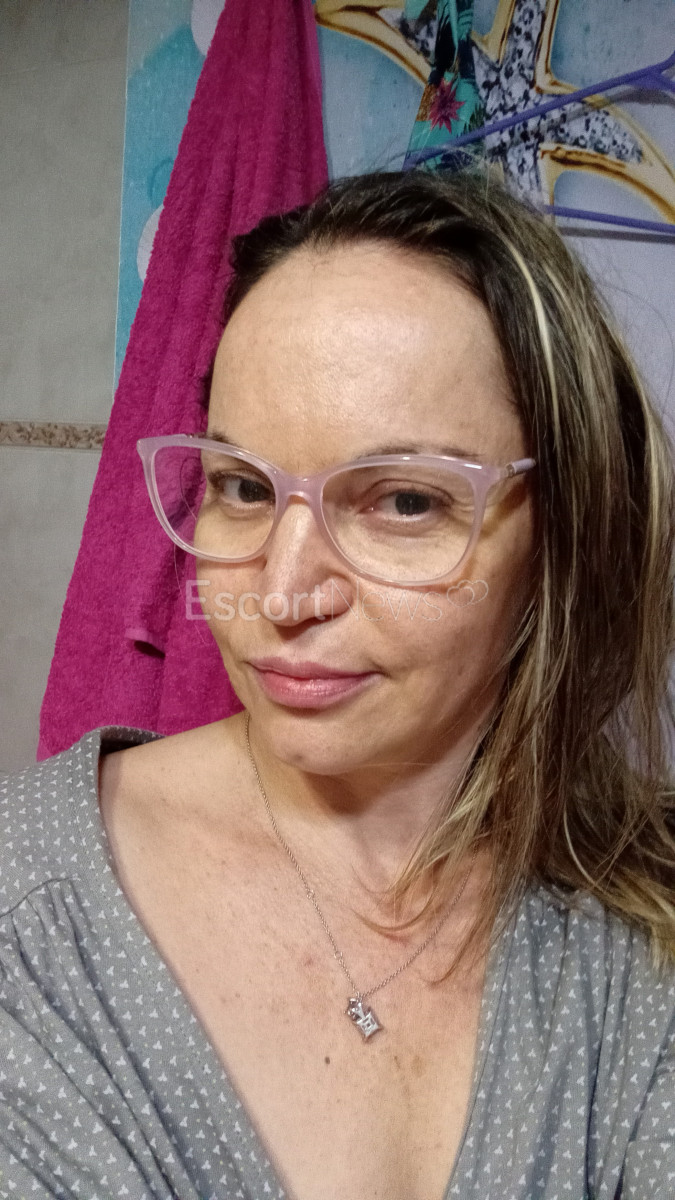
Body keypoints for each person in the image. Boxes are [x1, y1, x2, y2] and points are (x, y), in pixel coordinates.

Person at [1, 168, 674, 1200]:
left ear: (566, 533)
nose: (280, 593)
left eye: (403, 500)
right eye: (241, 487)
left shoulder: (638, 929)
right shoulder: (29, 916)